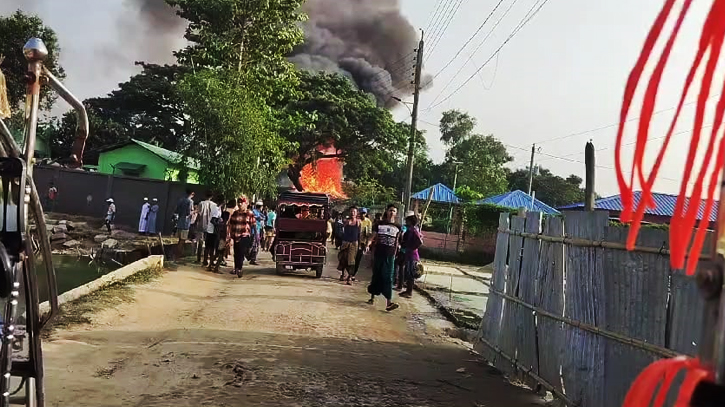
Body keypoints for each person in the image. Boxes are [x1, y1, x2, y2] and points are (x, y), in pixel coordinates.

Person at [366, 204, 402, 311]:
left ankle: (389, 303)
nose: (392, 212)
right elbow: (373, 237)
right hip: (379, 254)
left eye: (394, 211)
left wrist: (396, 254)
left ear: (396, 213)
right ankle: (372, 296)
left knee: (388, 278)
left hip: (390, 256)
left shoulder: (398, 227)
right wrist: (368, 245)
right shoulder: (379, 224)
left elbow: (397, 242)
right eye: (390, 210)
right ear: (386, 211)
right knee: (376, 275)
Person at [227, 197, 253, 277]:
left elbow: (253, 225)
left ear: (246, 204)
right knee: (236, 253)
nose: (240, 204)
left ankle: (239, 269)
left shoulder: (249, 213)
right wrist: (229, 236)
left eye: (242, 202)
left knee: (241, 253)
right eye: (239, 202)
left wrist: (254, 236)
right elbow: (230, 224)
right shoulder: (235, 213)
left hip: (244, 236)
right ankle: (236, 267)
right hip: (235, 235)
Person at [399, 214, 423, 298]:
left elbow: (419, 242)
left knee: (410, 273)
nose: (406, 222)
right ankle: (407, 291)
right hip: (408, 254)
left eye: (407, 221)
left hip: (412, 255)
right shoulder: (410, 230)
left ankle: (409, 292)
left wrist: (412, 248)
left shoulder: (413, 231)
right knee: (408, 272)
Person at [337, 206, 361, 284]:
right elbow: (341, 231)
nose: (352, 213)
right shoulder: (346, 221)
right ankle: (343, 274)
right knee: (343, 258)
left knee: (351, 260)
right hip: (345, 242)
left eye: (354, 212)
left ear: (357, 213)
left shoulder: (358, 222)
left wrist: (360, 244)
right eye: (351, 211)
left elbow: (359, 234)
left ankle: (350, 276)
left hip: (354, 243)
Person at [351, 208, 373, 280]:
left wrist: (367, 245)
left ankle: (353, 274)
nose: (362, 214)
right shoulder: (356, 220)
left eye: (364, 213)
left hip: (362, 243)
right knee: (351, 258)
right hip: (354, 241)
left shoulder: (368, 222)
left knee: (357, 259)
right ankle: (349, 273)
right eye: (361, 213)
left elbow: (369, 234)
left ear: (366, 214)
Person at [174, 189, 195, 262]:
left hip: (179, 222)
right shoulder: (190, 201)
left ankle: (176, 256)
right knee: (182, 241)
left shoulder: (180, 200)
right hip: (185, 223)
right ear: (191, 194)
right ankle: (177, 257)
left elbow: (176, 210)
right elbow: (189, 212)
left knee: (179, 240)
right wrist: (194, 212)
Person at [196, 192, 215, 264]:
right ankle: (206, 259)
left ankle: (198, 259)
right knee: (208, 244)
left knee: (200, 242)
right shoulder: (214, 205)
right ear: (212, 197)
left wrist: (196, 222)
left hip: (201, 224)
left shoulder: (201, 203)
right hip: (210, 226)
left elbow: (199, 214)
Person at [203, 197, 221, 267]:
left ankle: (206, 260)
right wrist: (219, 224)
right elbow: (213, 220)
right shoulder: (217, 209)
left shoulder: (214, 208)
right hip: (213, 231)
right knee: (211, 247)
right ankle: (210, 262)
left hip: (210, 229)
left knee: (208, 247)